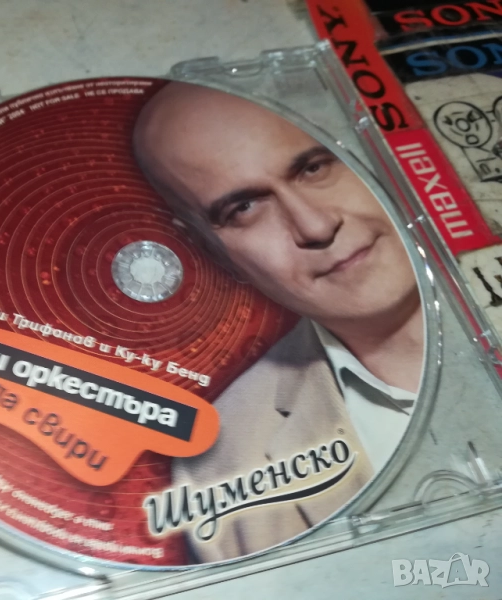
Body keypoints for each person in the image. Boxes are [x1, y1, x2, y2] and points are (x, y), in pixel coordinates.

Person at [132, 82, 424, 562]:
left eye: (314, 168)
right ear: (209, 249)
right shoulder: (222, 468)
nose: (315, 226)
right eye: (244, 208)